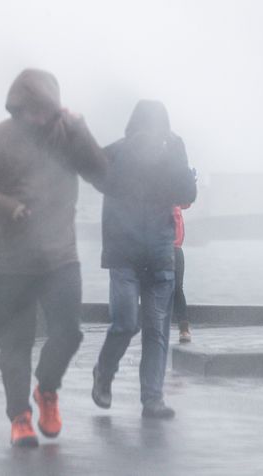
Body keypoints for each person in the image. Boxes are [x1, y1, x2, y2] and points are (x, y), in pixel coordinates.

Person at [0, 69, 106, 447]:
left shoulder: (67, 135)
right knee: (15, 345)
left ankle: (48, 390)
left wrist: (80, 128)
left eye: (46, 110)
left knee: (69, 332)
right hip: (11, 260)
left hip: (61, 255)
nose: (40, 118)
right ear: (18, 108)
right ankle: (20, 417)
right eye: (33, 111)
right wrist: (7, 206)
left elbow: (102, 176)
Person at [91, 100, 197, 419]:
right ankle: (103, 373)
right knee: (125, 322)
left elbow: (188, 195)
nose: (153, 134)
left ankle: (153, 398)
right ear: (135, 127)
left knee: (157, 330)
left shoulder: (171, 157)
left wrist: (177, 153)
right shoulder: (115, 153)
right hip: (124, 255)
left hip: (160, 254)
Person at [173, 204, 192, 343]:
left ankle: (184, 328)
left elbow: (187, 202)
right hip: (158, 247)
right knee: (155, 288)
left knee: (177, 288)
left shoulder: (177, 196)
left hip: (176, 249)